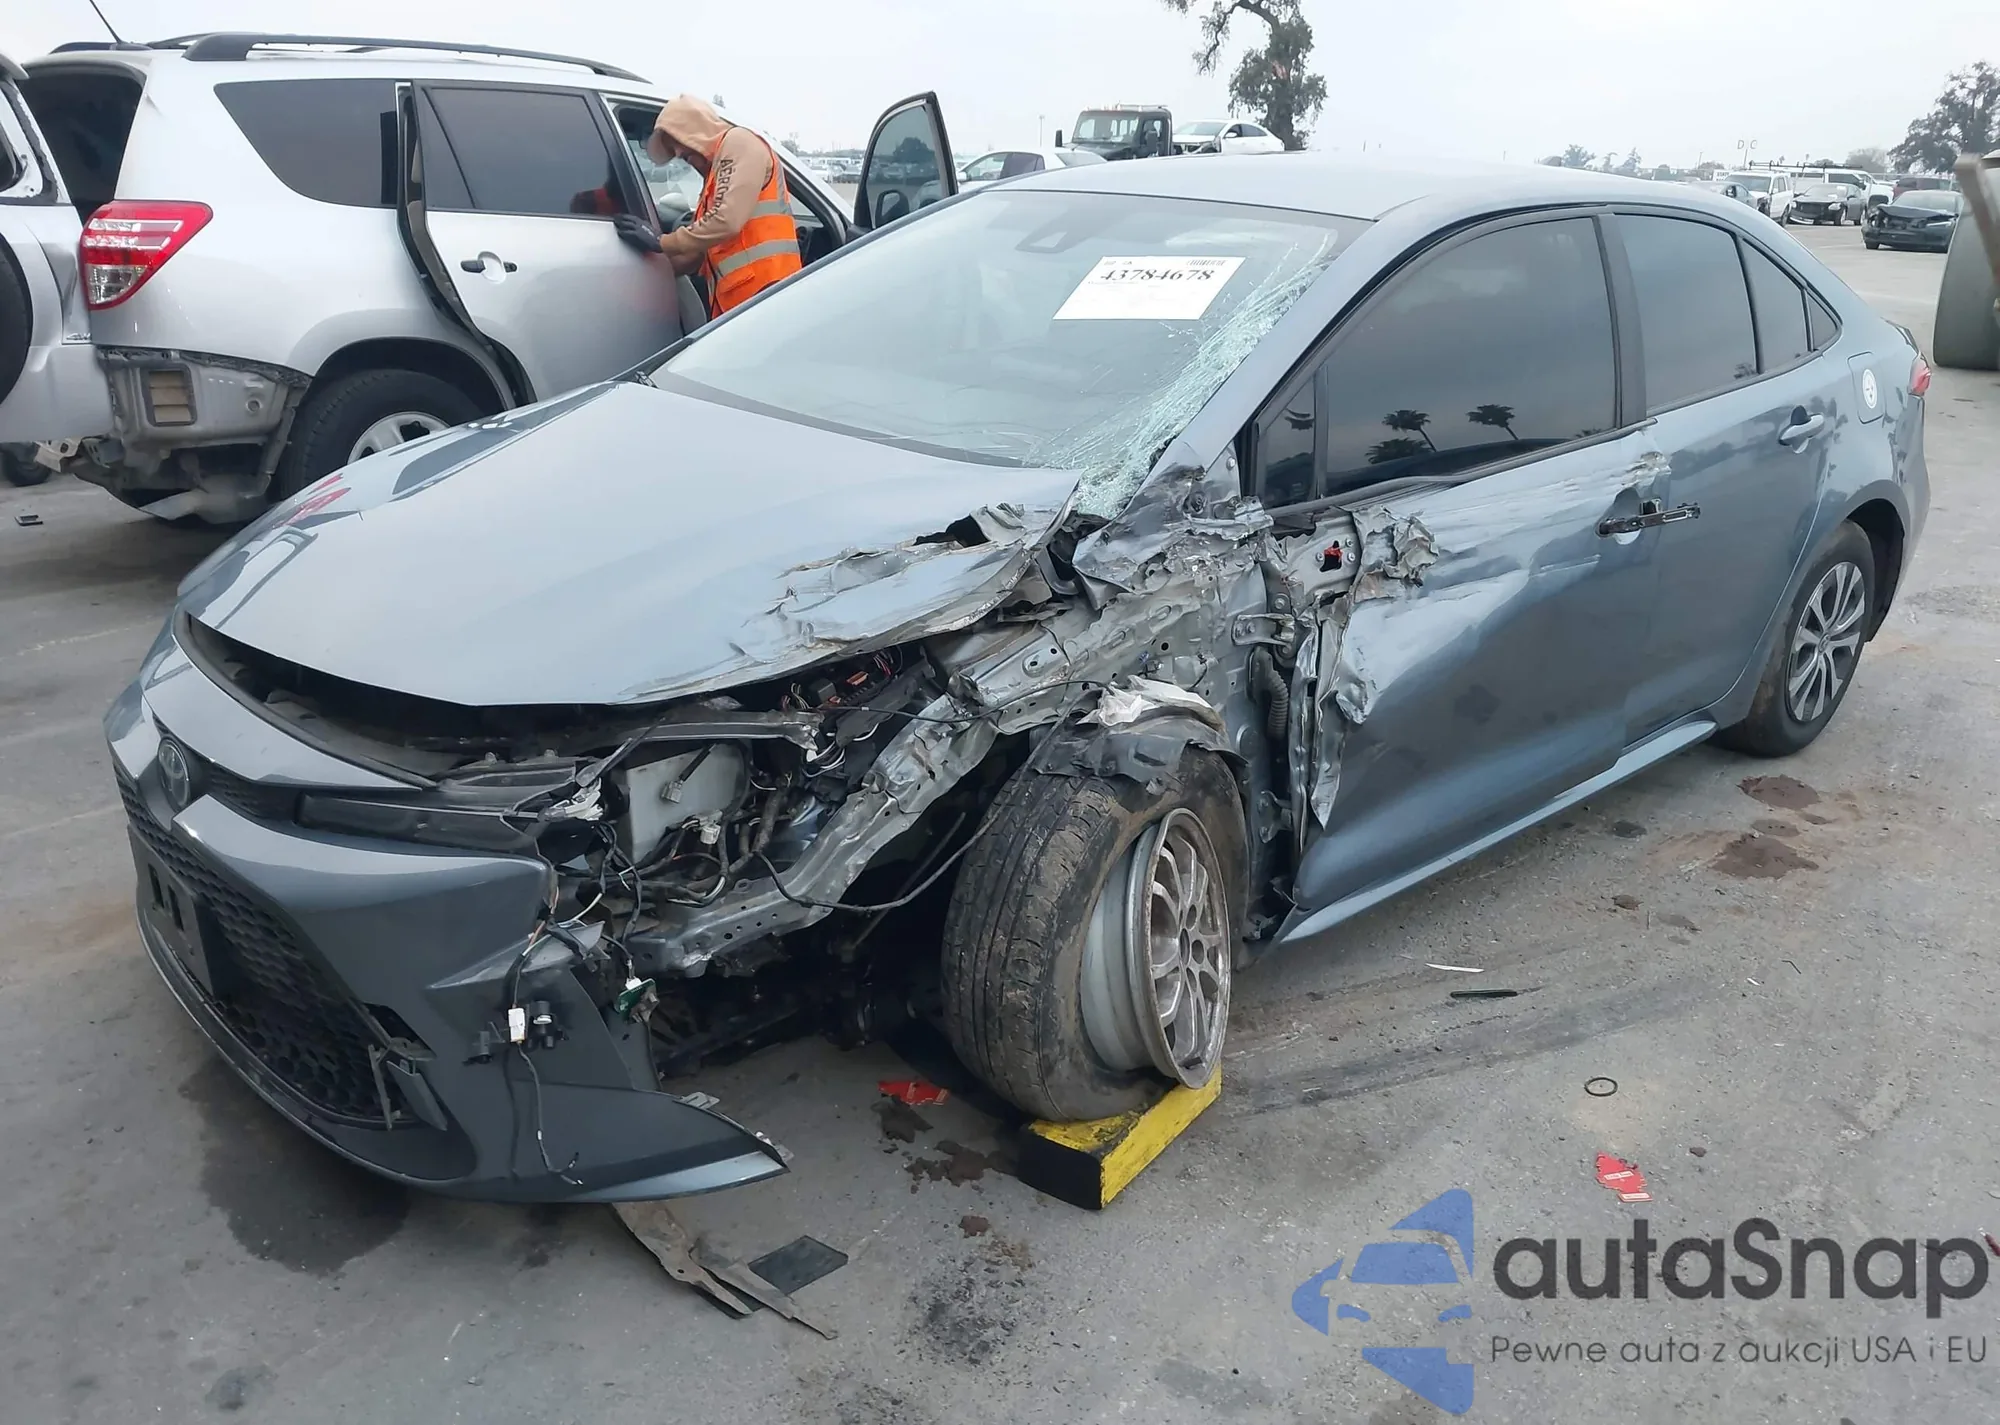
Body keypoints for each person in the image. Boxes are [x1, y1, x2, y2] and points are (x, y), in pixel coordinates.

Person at [612, 94, 802, 320]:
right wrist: (647, 269)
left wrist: (661, 242)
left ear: (695, 128)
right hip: (744, 303)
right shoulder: (713, 181)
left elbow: (726, 220)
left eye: (677, 142)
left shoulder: (738, 142)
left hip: (768, 294)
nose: (678, 154)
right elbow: (697, 255)